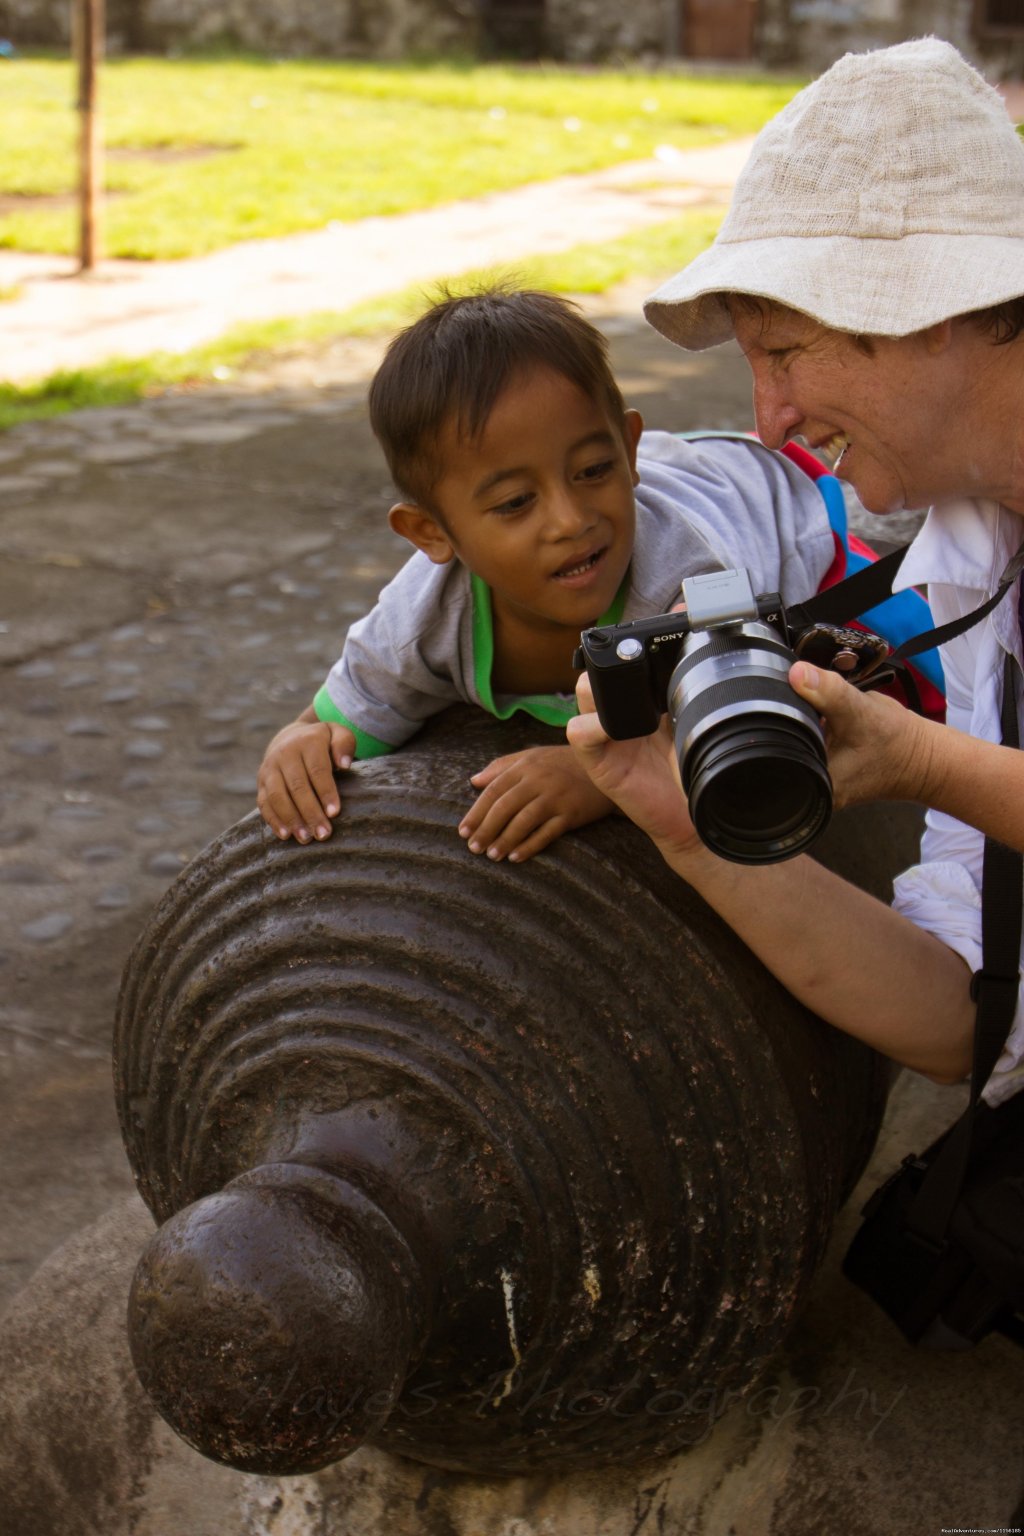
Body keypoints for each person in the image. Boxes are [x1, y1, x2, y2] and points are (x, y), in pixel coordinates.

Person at [568, 38, 1024, 1106]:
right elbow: (969, 1020)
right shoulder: (978, 553)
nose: (768, 421)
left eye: (782, 353)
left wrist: (921, 762)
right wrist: (689, 835)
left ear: (932, 308)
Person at [257, 286, 837, 864]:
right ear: (430, 532)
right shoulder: (420, 619)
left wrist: (601, 781)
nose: (570, 520)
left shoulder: (691, 580)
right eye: (514, 503)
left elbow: (751, 714)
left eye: (594, 469)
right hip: (663, 471)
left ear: (625, 453)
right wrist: (300, 742)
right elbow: (344, 715)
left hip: (756, 493)